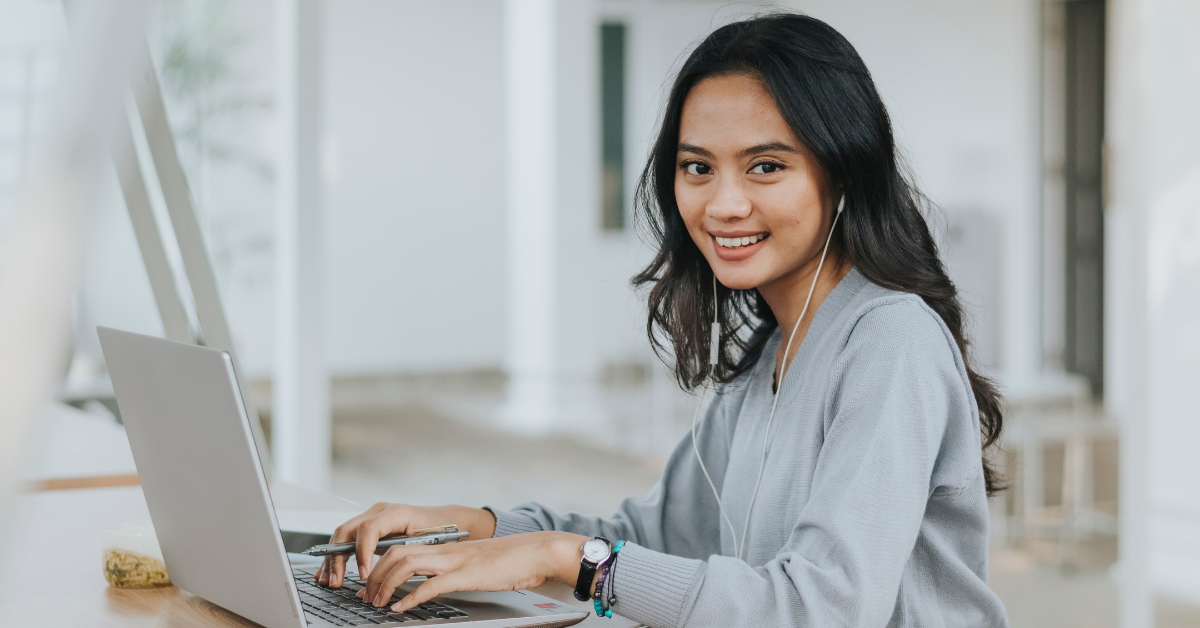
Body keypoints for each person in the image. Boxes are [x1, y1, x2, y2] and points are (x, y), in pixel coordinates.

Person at [315, 13, 1009, 627]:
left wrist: (561, 558)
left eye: (766, 166)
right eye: (697, 167)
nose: (723, 204)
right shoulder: (773, 352)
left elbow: (819, 610)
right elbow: (651, 535)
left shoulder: (891, 340)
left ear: (844, 176)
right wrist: (479, 526)